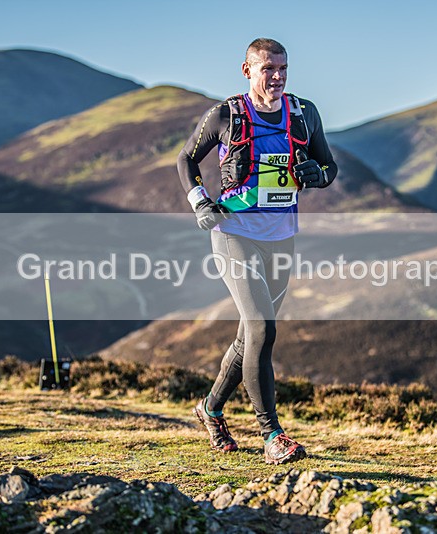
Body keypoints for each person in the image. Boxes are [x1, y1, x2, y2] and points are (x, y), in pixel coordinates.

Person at [177, 38, 337, 464]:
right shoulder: (226, 114)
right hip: (235, 234)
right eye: (268, 68)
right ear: (247, 70)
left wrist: (315, 175)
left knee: (249, 336)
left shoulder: (304, 114)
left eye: (283, 68)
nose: (278, 76)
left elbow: (329, 167)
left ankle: (210, 410)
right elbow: (185, 161)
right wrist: (199, 202)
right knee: (263, 329)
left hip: (282, 237)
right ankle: (272, 436)